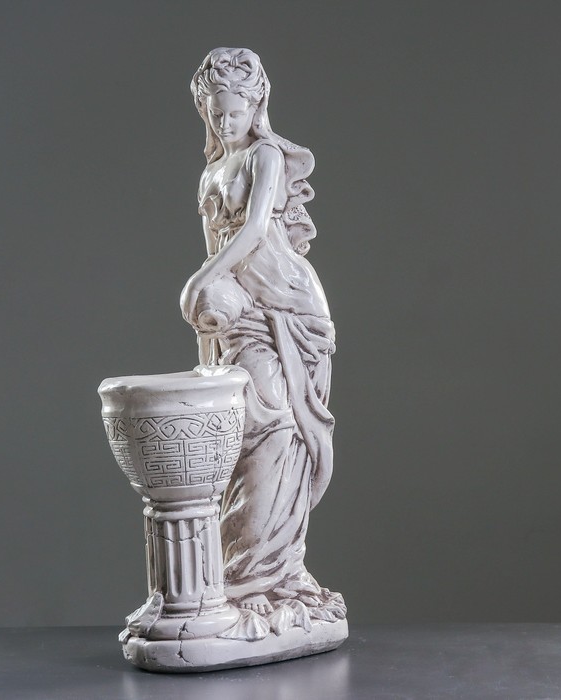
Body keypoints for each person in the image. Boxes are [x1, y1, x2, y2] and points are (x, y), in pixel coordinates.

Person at [181, 48, 345, 626]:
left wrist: (200, 280)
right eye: (217, 115)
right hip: (239, 308)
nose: (227, 123)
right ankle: (247, 571)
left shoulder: (265, 155)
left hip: (288, 304)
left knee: (277, 431)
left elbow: (252, 232)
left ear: (257, 107)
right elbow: (214, 244)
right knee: (242, 433)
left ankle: (267, 575)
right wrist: (206, 327)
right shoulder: (210, 172)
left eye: (236, 112)